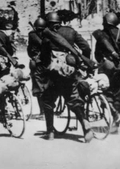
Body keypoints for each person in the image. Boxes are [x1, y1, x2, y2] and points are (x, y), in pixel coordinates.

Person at [39, 11, 94, 143]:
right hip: (70, 71)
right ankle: (85, 125)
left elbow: (44, 57)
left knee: (47, 101)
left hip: (54, 74)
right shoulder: (71, 32)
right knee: (74, 100)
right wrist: (79, 60)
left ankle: (50, 132)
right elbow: (86, 47)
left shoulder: (47, 36)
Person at [27, 18, 48, 118]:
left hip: (38, 64)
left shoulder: (32, 34)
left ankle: (43, 112)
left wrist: (34, 57)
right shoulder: (49, 33)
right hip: (48, 63)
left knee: (38, 88)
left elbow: (30, 50)